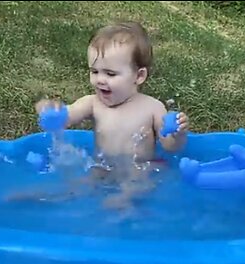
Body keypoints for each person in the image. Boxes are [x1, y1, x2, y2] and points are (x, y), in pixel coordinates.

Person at [35, 20, 190, 209]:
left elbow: (170, 147)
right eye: (94, 71)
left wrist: (177, 135)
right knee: (78, 187)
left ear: (139, 76)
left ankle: (125, 204)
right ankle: (44, 199)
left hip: (140, 168)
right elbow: (66, 118)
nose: (100, 80)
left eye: (110, 74)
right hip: (103, 167)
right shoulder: (92, 103)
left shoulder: (152, 108)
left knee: (135, 187)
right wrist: (51, 112)